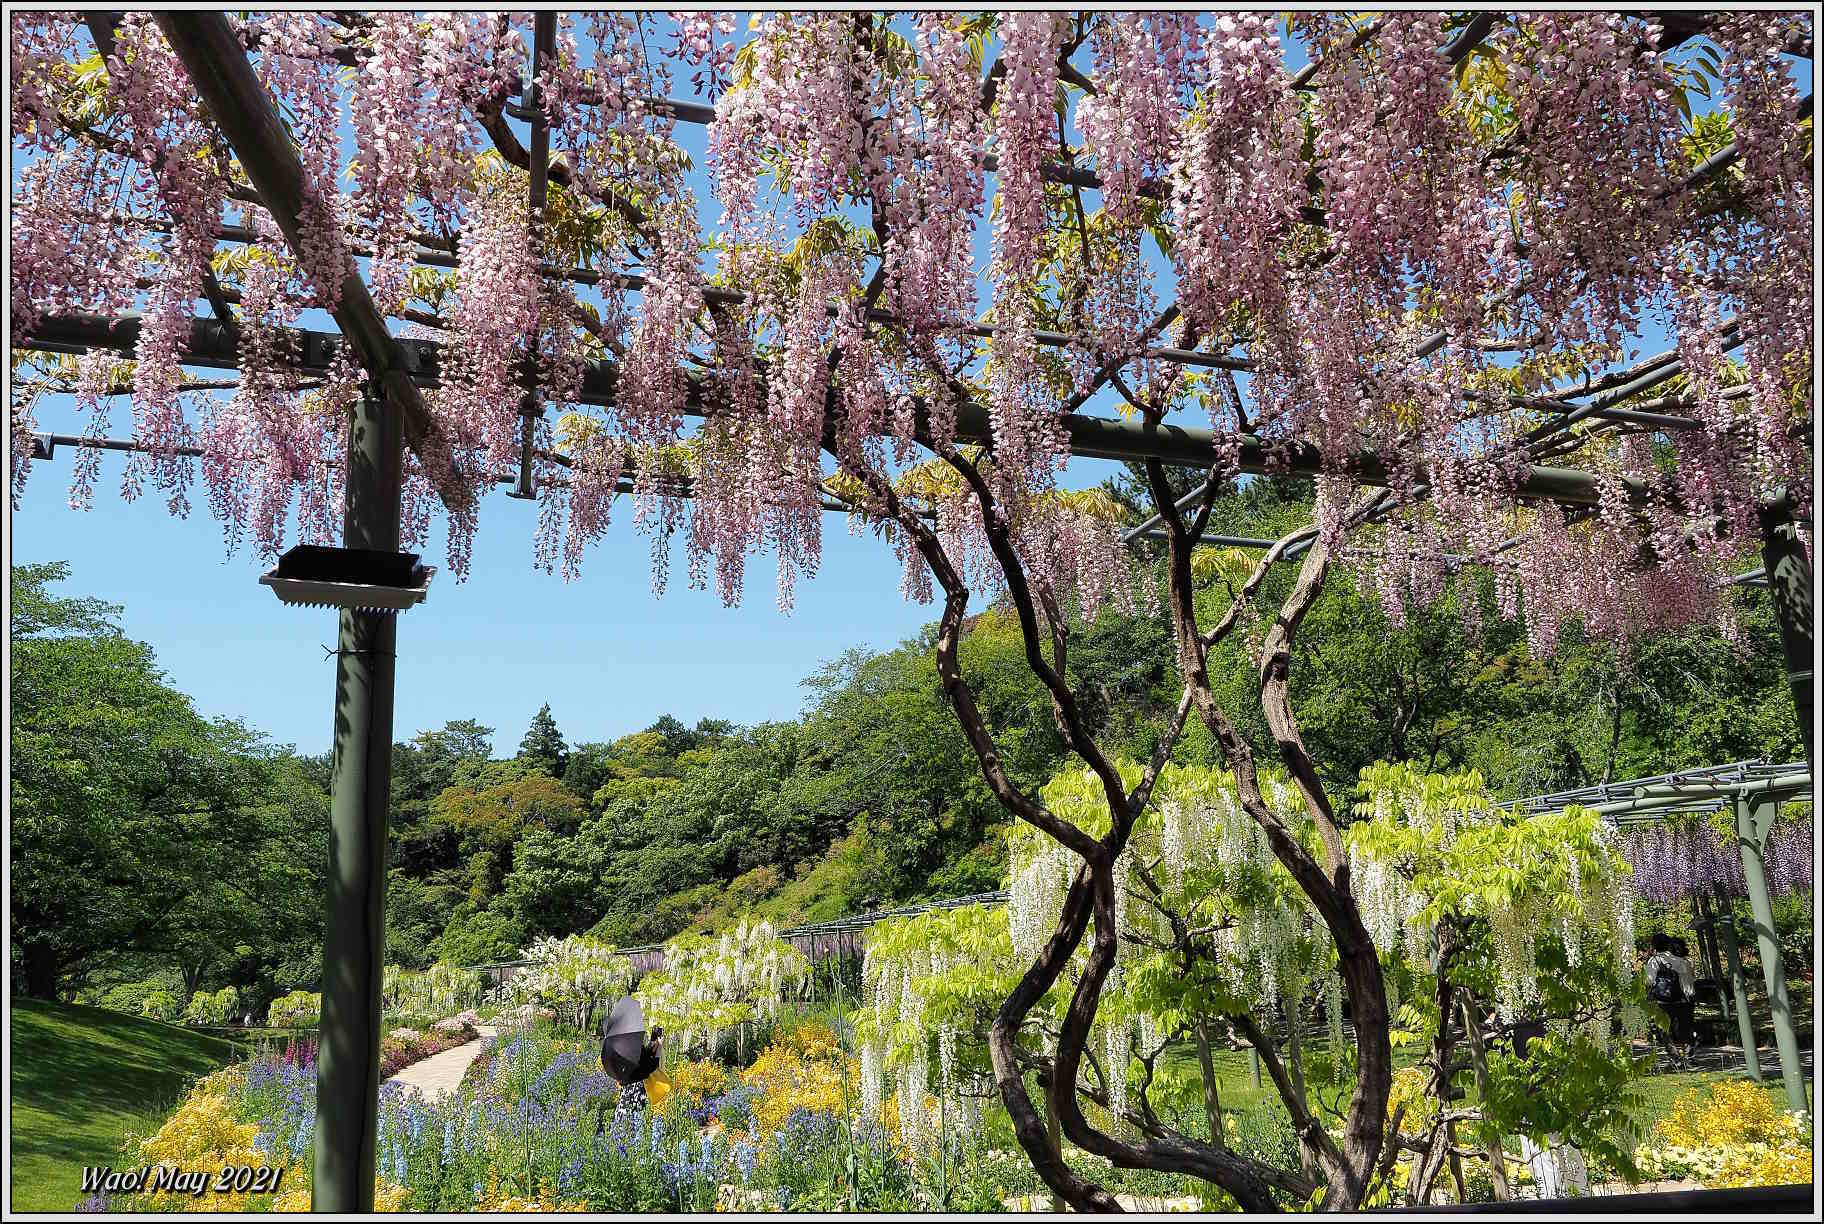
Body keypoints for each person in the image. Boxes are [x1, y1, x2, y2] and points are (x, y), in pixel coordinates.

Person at [1644, 933, 1697, 1061]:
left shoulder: (1654, 960)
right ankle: (1688, 1055)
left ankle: (1675, 1057)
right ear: (1668, 945)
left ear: (1654, 946)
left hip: (1662, 1002)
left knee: (1664, 1031)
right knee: (1684, 1029)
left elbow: (1649, 981)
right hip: (1681, 1000)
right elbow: (1689, 979)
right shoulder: (1680, 960)